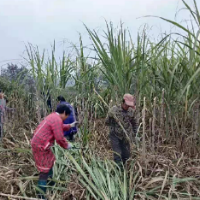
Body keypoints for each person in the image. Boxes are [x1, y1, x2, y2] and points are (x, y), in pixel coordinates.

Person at [31, 104, 77, 199]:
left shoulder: (53, 116)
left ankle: (50, 182)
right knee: (44, 169)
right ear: (64, 112)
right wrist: (67, 145)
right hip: (41, 145)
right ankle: (41, 195)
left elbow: (58, 126)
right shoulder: (57, 119)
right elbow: (59, 138)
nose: (66, 118)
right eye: (67, 116)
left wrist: (69, 126)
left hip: (39, 143)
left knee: (50, 160)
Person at [105, 94, 137, 168]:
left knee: (126, 155)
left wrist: (134, 134)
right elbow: (106, 122)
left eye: (129, 105)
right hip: (115, 135)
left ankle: (126, 172)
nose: (128, 107)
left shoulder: (131, 111)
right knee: (117, 154)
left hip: (126, 136)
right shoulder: (114, 110)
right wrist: (110, 117)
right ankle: (119, 172)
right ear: (123, 102)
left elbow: (134, 123)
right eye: (127, 105)